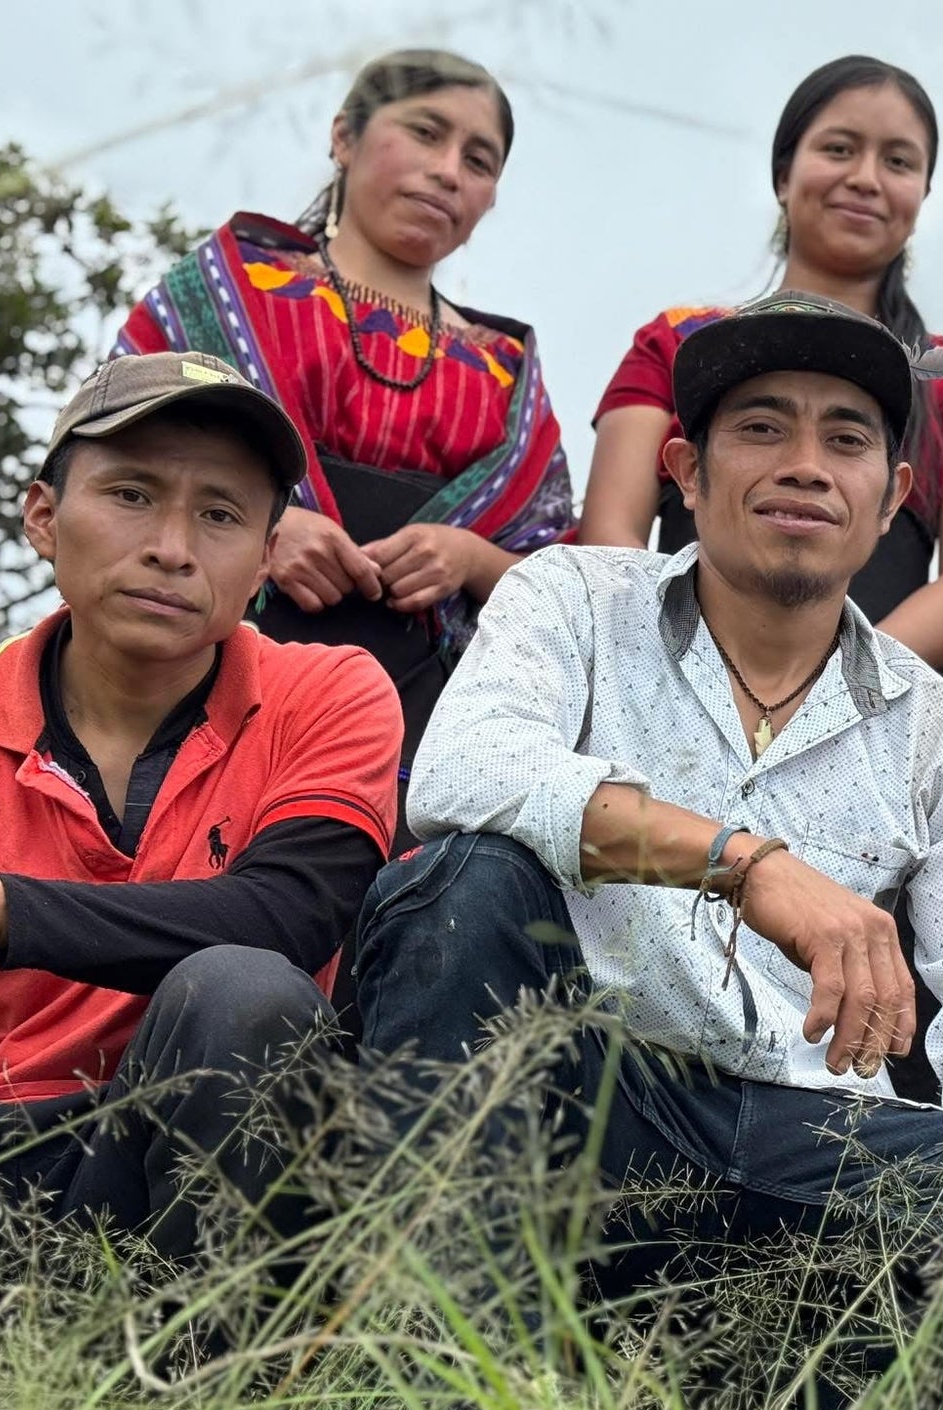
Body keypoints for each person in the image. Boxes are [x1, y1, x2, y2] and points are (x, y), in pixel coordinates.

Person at [355, 291, 943, 1360]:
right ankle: (435, 1389)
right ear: (685, 471)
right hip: (583, 1106)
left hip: (811, 1142)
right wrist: (744, 865)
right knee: (461, 883)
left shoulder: (933, 728)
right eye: (760, 428)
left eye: (844, 439)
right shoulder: (572, 600)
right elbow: (463, 771)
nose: (804, 464)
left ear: (888, 500)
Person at [0, 352, 401, 1260]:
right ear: (43, 517)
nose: (173, 548)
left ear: (266, 558)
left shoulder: (330, 691)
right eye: (132, 495)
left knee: (245, 989)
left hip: (176, 1158)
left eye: (220, 515)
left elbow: (293, 913)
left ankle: (212, 1366)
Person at [115, 49, 572, 843]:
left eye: (478, 160)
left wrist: (468, 557)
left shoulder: (504, 371)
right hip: (204, 676)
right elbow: (116, 457)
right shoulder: (230, 289)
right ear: (344, 137)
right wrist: (262, 528)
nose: (447, 172)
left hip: (422, 728)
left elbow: (564, 586)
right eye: (425, 133)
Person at [577, 55, 943, 673]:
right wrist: (708, 682)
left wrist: (843, 689)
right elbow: (608, 538)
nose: (866, 178)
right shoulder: (677, 340)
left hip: (884, 719)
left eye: (897, 161)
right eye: (839, 149)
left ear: (922, 194)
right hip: (672, 686)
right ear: (783, 175)